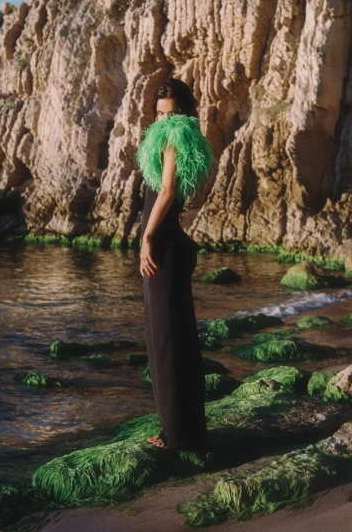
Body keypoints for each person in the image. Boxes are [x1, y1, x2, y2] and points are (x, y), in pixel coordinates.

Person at [136, 78, 215, 450]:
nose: (165, 119)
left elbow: (166, 191)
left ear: (183, 112)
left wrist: (147, 239)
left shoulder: (172, 137)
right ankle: (190, 431)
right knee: (179, 339)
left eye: (171, 112)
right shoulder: (186, 137)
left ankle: (176, 436)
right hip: (172, 246)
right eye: (159, 114)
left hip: (164, 247)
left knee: (165, 343)